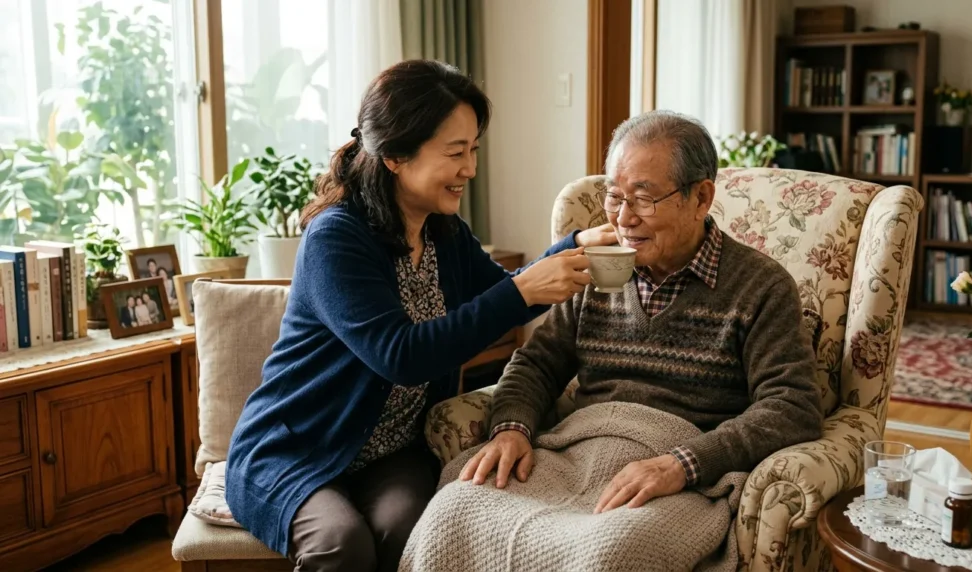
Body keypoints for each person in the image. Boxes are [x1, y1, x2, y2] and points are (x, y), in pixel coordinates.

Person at [224, 59, 617, 572]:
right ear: (394, 155)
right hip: (294, 450)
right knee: (341, 544)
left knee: (415, 531)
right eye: (456, 153)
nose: (470, 169)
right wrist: (521, 290)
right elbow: (401, 355)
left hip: (390, 455)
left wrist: (576, 245)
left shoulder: (443, 232)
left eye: (473, 149)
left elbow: (504, 295)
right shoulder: (337, 240)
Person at [420, 111, 823, 566]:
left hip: (678, 475)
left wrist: (682, 464)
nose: (624, 218)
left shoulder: (760, 286)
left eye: (643, 199)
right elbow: (537, 363)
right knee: (452, 511)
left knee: (611, 554)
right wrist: (511, 427)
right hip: (576, 454)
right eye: (614, 197)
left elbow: (792, 407)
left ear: (701, 197)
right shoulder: (598, 270)